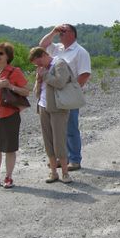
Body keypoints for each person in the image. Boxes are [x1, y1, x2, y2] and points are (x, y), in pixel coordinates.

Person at [39, 24, 91, 171]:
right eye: (60, 31)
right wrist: (53, 31)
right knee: (58, 129)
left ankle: (74, 159)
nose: (61, 33)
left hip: (67, 95)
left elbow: (84, 74)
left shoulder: (80, 52)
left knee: (71, 128)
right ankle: (63, 158)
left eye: (64, 31)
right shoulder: (57, 48)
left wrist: (72, 92)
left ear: (72, 34)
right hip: (53, 95)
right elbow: (42, 45)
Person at [0, 42, 30, 189]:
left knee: (9, 148)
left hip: (9, 115)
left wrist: (10, 86)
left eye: (1, 53)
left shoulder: (15, 71)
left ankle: (8, 177)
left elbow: (26, 92)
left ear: (8, 56)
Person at [29, 47, 73, 184]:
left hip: (58, 108)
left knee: (59, 140)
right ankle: (53, 172)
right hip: (43, 106)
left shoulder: (60, 63)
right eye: (36, 64)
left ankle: (65, 173)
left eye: (38, 62)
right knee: (48, 140)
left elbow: (60, 83)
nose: (38, 66)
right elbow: (36, 91)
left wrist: (45, 75)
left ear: (43, 55)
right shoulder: (42, 69)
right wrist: (38, 80)